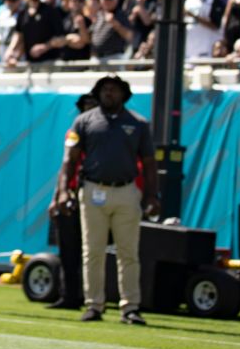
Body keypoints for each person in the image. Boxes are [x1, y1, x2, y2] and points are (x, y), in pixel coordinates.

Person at [51, 75, 159, 325]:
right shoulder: (84, 121)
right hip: (92, 190)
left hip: (126, 190)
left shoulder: (138, 124)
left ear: (124, 94)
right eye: (105, 90)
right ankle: (94, 304)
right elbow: (69, 159)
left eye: (114, 90)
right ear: (97, 94)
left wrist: (153, 194)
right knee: (92, 251)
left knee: (128, 252)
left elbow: (151, 163)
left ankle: (130, 307)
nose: (109, 94)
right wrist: (64, 191)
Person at [45, 93, 99, 311]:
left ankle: (94, 297)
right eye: (85, 105)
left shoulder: (107, 132)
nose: (88, 109)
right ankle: (69, 295)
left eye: (93, 105)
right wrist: (57, 196)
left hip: (96, 195)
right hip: (71, 195)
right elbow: (65, 167)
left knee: (93, 250)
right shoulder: (74, 132)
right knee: (67, 248)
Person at [5, 0, 68, 66]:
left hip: (50, 62)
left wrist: (45, 47)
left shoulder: (50, 11)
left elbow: (61, 38)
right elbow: (18, 34)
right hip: (30, 62)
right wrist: (11, 50)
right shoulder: (23, 13)